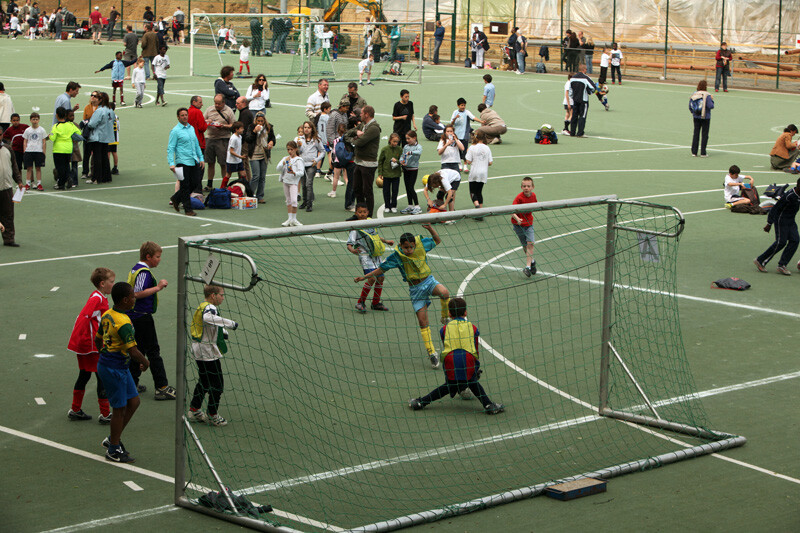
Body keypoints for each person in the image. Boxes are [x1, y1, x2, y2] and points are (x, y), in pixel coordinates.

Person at [354, 224, 450, 368]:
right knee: (422, 321)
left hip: (429, 281)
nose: (409, 250)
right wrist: (364, 277)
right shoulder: (397, 256)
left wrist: (430, 228)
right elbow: (381, 269)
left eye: (411, 247)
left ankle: (444, 317)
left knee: (445, 293)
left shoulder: (421, 245)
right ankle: (431, 352)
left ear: (415, 245)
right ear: (400, 245)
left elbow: (437, 240)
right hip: (415, 290)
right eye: (406, 247)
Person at [408, 297, 504, 414]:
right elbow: (475, 351)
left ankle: (421, 402)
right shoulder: (473, 328)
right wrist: (475, 369)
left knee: (450, 385)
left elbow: (446, 348)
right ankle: (488, 405)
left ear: (449, 313)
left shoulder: (444, 329)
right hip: (468, 359)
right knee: (472, 381)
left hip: (450, 360)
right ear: (465, 312)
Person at [95, 282, 150, 463]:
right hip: (114, 369)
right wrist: (145, 362)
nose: (134, 299)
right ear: (125, 300)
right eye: (133, 296)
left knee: (134, 402)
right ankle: (113, 449)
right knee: (119, 409)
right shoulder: (123, 322)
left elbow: (98, 339)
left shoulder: (108, 314)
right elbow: (133, 351)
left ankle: (113, 438)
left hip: (118, 366)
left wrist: (104, 355)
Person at [126, 242, 176, 399]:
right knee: (153, 351)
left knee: (138, 351)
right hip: (141, 317)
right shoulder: (143, 272)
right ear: (148, 257)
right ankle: (161, 387)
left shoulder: (135, 269)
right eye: (157, 257)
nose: (159, 259)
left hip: (135, 316)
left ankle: (131, 384)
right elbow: (137, 293)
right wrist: (158, 287)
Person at [67, 267, 114, 424]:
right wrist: (81, 340)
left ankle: (75, 409)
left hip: (86, 345)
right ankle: (105, 413)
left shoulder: (98, 297)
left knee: (84, 374)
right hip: (92, 346)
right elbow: (84, 316)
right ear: (102, 284)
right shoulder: (97, 299)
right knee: (102, 376)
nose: (113, 284)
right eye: (111, 281)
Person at [187, 285, 238, 427]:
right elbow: (208, 318)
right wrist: (230, 324)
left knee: (204, 381)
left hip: (199, 349)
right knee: (217, 384)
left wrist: (223, 333)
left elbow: (207, 324)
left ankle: (194, 409)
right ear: (213, 295)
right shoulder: (210, 308)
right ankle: (212, 414)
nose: (223, 297)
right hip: (207, 351)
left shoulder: (202, 305)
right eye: (221, 295)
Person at [347, 203, 393, 313]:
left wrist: (386, 241)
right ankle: (360, 302)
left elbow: (375, 236)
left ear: (368, 212)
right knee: (371, 278)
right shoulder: (355, 228)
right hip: (365, 256)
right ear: (356, 213)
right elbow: (349, 244)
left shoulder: (370, 223)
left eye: (364, 212)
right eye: (360, 212)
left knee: (381, 278)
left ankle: (375, 303)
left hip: (376, 254)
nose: (362, 214)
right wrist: (352, 250)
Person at [755, 178, 800, 276]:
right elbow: (775, 208)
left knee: (795, 240)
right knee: (781, 242)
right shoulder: (789, 196)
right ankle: (760, 260)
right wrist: (769, 223)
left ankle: (782, 265)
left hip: (791, 221)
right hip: (781, 220)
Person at [168, 107, 204, 216]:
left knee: (195, 182)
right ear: (178, 117)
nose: (184, 117)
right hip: (182, 161)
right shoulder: (175, 131)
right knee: (185, 185)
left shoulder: (191, 128)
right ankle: (188, 209)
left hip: (193, 160)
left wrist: (201, 158)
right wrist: (171, 163)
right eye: (182, 115)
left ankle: (176, 198)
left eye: (186, 115)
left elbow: (196, 144)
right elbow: (171, 148)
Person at [351, 105, 381, 216]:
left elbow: (360, 142)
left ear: (367, 114)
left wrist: (353, 140)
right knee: (357, 188)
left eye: (362, 113)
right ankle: (360, 213)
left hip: (368, 164)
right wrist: (355, 135)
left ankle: (369, 215)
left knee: (367, 191)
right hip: (359, 162)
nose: (360, 115)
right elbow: (349, 133)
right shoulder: (363, 125)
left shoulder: (374, 128)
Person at [203, 94, 235, 190]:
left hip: (223, 139)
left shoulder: (229, 111)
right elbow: (202, 121)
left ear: (223, 102)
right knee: (210, 163)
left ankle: (224, 185)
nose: (216, 105)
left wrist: (223, 126)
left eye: (219, 104)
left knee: (223, 163)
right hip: (210, 138)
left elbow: (233, 125)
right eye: (215, 103)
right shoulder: (209, 109)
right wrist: (207, 121)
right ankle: (209, 184)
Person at [243, 111, 275, 204]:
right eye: (258, 121)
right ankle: (250, 194)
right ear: (255, 120)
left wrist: (271, 142)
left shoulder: (269, 127)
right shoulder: (251, 127)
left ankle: (260, 196)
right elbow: (248, 139)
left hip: (264, 154)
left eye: (262, 121)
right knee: (256, 176)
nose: (260, 123)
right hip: (254, 154)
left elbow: (272, 138)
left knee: (262, 177)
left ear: (264, 120)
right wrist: (254, 132)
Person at [0, 126, 23, 247]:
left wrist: (18, 181)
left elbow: (14, 166)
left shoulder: (7, 148)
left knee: (8, 214)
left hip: (7, 187)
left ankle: (9, 239)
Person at [511, 177, 538, 277]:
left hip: (529, 224)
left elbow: (535, 205)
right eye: (524, 186)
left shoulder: (533, 196)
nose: (526, 188)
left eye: (528, 186)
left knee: (530, 244)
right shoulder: (519, 198)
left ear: (532, 187)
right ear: (521, 187)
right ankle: (532, 262)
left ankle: (527, 267)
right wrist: (518, 218)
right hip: (518, 225)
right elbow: (512, 210)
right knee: (525, 246)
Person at [50, 107, 82, 189]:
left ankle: (61, 184)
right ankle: (68, 177)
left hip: (58, 149)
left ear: (57, 115)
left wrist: (49, 136)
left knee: (59, 167)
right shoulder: (70, 125)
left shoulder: (56, 126)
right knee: (66, 165)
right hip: (68, 148)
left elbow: (53, 138)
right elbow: (78, 132)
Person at [86, 92, 115, 184]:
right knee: (105, 157)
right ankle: (106, 177)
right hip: (107, 136)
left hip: (98, 136)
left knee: (97, 158)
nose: (95, 99)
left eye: (97, 97)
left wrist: (87, 123)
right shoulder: (110, 110)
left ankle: (97, 178)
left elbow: (92, 124)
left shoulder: (99, 110)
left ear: (100, 100)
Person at [297, 120, 325, 212]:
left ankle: (309, 204)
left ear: (312, 129)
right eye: (305, 127)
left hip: (311, 165)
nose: (306, 129)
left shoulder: (316, 139)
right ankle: (305, 201)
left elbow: (322, 151)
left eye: (308, 127)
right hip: (302, 165)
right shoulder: (300, 139)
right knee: (303, 185)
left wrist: (316, 160)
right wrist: (298, 146)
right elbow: (298, 152)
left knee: (309, 184)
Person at [277, 140, 304, 227]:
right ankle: (289, 219)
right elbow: (278, 168)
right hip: (286, 181)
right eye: (288, 149)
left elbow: (301, 172)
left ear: (296, 149)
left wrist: (294, 173)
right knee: (288, 200)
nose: (289, 151)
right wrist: (284, 162)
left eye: (291, 149)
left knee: (294, 201)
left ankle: (294, 219)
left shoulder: (299, 160)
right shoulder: (285, 158)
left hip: (293, 182)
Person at [465, 130, 492, 216]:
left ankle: (477, 207)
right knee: (479, 192)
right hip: (483, 173)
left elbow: (468, 161)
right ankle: (480, 211)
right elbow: (490, 162)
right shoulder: (487, 148)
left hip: (474, 172)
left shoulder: (472, 147)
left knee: (472, 191)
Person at [568, 64, 597, 138]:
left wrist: (573, 96)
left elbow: (570, 90)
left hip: (575, 100)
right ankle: (580, 133)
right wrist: (590, 92)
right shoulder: (586, 78)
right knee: (582, 116)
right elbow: (593, 87)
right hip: (583, 100)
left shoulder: (572, 78)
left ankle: (572, 132)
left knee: (574, 116)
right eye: (586, 69)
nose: (586, 70)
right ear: (584, 70)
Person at [378, 133, 403, 213]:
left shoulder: (400, 149)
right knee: (386, 191)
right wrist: (380, 172)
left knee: (395, 190)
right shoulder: (385, 149)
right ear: (390, 140)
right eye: (394, 141)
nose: (395, 143)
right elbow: (380, 161)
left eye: (397, 142)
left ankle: (394, 205)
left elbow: (402, 160)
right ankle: (387, 206)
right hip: (386, 174)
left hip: (396, 174)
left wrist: (397, 161)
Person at [399, 130, 422, 214]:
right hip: (406, 169)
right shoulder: (406, 147)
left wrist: (411, 152)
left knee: (411, 187)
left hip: (413, 169)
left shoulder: (418, 146)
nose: (407, 140)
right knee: (407, 188)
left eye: (409, 138)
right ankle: (410, 205)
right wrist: (401, 161)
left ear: (414, 138)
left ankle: (417, 206)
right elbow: (402, 155)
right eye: (406, 139)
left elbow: (419, 152)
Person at [22, 112, 46, 191]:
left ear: (38, 120)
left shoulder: (42, 130)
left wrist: (43, 152)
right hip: (29, 151)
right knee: (29, 168)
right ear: (30, 120)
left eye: (36, 119)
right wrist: (25, 151)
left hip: (38, 151)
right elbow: (25, 141)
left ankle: (39, 184)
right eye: (33, 119)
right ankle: (27, 184)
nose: (35, 121)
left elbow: (44, 142)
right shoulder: (27, 130)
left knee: (38, 168)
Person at [689, 80, 714, 157]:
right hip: (705, 117)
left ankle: (694, 152)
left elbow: (690, 106)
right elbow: (711, 106)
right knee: (705, 134)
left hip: (696, 116)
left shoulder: (694, 94)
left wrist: (694, 113)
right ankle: (703, 152)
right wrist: (712, 100)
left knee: (696, 133)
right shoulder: (707, 95)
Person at [224, 121, 246, 188]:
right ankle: (222, 188)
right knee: (228, 175)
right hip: (232, 160)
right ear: (236, 129)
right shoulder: (233, 138)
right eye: (241, 128)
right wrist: (240, 156)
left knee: (243, 174)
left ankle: (245, 188)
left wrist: (239, 157)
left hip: (238, 160)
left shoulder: (240, 137)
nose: (243, 129)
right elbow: (231, 151)